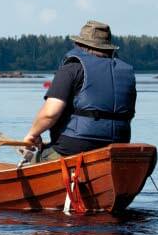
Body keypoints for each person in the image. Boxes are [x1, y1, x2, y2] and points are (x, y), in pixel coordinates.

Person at [22, 20, 136, 161]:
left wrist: (32, 134)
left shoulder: (73, 68)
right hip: (117, 147)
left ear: (80, 45)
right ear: (108, 48)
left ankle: (33, 162)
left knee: (33, 164)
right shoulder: (126, 73)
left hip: (75, 147)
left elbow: (50, 114)